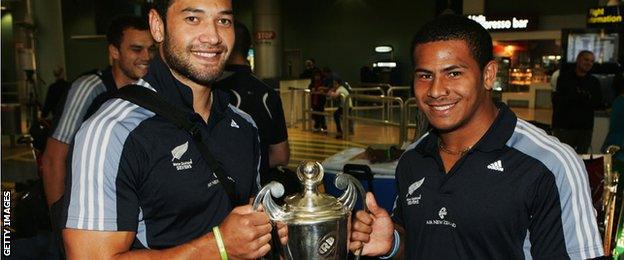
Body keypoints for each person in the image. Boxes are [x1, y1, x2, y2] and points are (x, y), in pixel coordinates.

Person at [349, 15, 603, 259]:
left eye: (454, 73)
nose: (436, 91)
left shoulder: (550, 164)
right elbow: (417, 241)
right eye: (425, 75)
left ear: (488, 75)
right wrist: (393, 243)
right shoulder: (413, 159)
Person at [61, 0, 286, 259]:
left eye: (224, 20)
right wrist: (218, 247)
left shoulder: (244, 125)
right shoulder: (112, 131)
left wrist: (276, 227)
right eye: (193, 18)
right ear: (158, 26)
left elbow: (248, 218)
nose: (213, 36)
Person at [41, 15, 154, 210]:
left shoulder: (153, 91)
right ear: (114, 51)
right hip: (87, 207)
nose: (146, 57)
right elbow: (53, 159)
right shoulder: (89, 89)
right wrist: (59, 225)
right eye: (136, 49)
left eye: (151, 49)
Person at [215, 21, 290, 185]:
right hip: (262, 193)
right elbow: (281, 156)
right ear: (249, 46)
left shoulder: (212, 92)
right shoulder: (269, 93)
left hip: (222, 195)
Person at [552, 50, 604, 154]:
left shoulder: (594, 82)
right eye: (586, 59)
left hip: (584, 129)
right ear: (578, 60)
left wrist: (579, 97)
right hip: (564, 128)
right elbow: (560, 101)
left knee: (582, 159)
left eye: (592, 61)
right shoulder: (564, 79)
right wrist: (585, 97)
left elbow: (597, 102)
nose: (589, 63)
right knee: (564, 157)